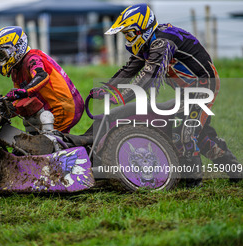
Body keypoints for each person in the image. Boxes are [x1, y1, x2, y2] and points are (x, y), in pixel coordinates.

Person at [90, 3, 241, 183]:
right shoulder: (148, 43)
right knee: (200, 135)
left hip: (203, 86)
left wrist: (120, 96)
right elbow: (128, 70)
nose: (128, 39)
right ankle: (236, 171)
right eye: (125, 35)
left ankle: (192, 181)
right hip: (187, 90)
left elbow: (148, 75)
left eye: (130, 34)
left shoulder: (162, 42)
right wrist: (109, 88)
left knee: (184, 133)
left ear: (143, 29)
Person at [0, 26, 84, 133]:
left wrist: (23, 91)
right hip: (52, 109)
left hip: (63, 108)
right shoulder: (16, 70)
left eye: (1, 55)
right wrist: (6, 107)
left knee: (43, 145)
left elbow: (41, 76)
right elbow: (19, 98)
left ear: (16, 47)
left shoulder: (32, 58)